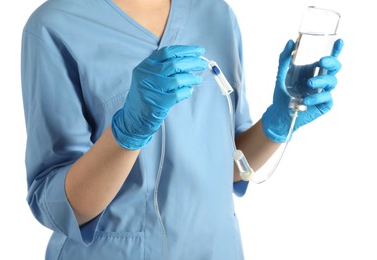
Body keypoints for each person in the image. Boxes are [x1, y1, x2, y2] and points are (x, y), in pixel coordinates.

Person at [20, 0, 343, 259]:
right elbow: (59, 206)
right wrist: (128, 132)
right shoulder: (56, 25)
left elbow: (228, 166)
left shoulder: (217, 14)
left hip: (218, 250)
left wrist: (279, 120)